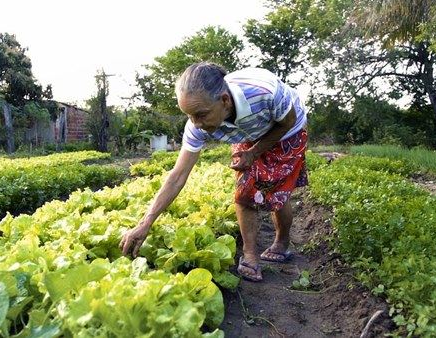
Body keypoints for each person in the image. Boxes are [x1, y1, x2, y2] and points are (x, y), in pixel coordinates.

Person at [120, 61, 308, 282]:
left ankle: (282, 243)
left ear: (225, 101)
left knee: (277, 193)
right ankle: (250, 254)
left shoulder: (264, 92)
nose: (195, 123)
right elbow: (178, 175)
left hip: (286, 130)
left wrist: (254, 152)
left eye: (200, 115)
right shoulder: (197, 123)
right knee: (245, 191)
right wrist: (145, 223)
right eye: (189, 115)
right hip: (246, 133)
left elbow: (288, 122)